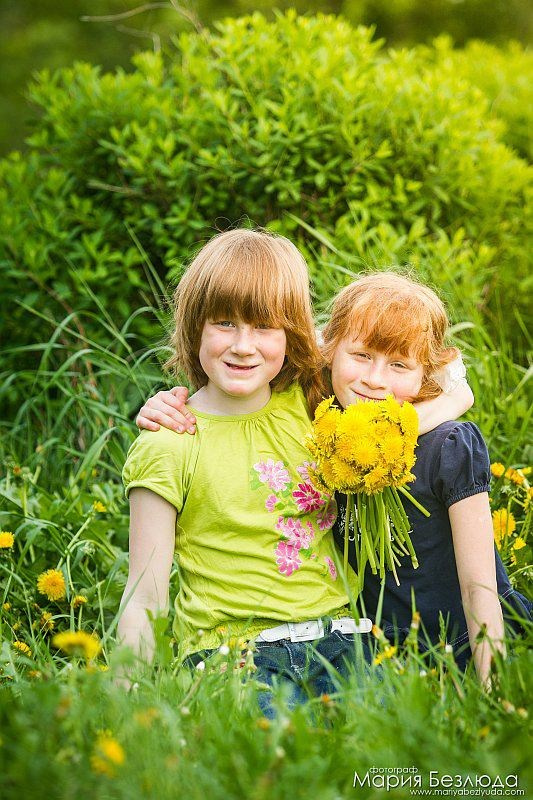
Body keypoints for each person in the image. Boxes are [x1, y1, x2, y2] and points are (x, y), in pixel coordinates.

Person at [119, 228, 374, 713]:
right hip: (232, 655)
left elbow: (444, 378)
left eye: (264, 327)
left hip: (341, 639)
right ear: (195, 327)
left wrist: (459, 398)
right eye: (225, 323)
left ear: (292, 333)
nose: (243, 345)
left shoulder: (312, 403)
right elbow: (144, 593)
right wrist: (125, 705)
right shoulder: (169, 442)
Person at [320, 272, 531, 684]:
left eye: (399, 364)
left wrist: (492, 689)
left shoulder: (448, 445)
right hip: (383, 654)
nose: (375, 379)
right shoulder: (326, 437)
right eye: (361, 355)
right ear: (330, 352)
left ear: (425, 377)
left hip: (468, 638)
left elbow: (479, 588)